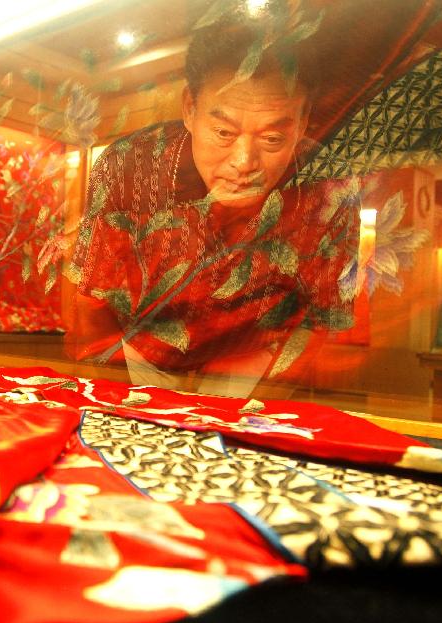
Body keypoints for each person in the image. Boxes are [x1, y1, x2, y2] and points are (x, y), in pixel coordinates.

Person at [66, 18, 359, 396]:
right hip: (144, 349)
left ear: (302, 123)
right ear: (190, 107)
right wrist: (104, 396)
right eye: (224, 132)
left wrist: (264, 403)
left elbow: (326, 316)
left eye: (272, 137)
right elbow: (93, 298)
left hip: (255, 354)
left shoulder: (328, 183)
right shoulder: (129, 164)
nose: (243, 161)